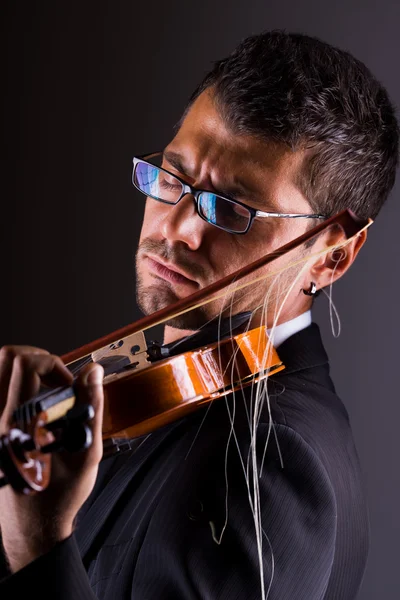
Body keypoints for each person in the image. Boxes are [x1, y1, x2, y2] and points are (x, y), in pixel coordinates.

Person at [0, 30, 398, 600]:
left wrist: (39, 547)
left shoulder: (279, 462)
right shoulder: (155, 383)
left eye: (232, 208)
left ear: (332, 255)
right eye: (172, 177)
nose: (178, 228)